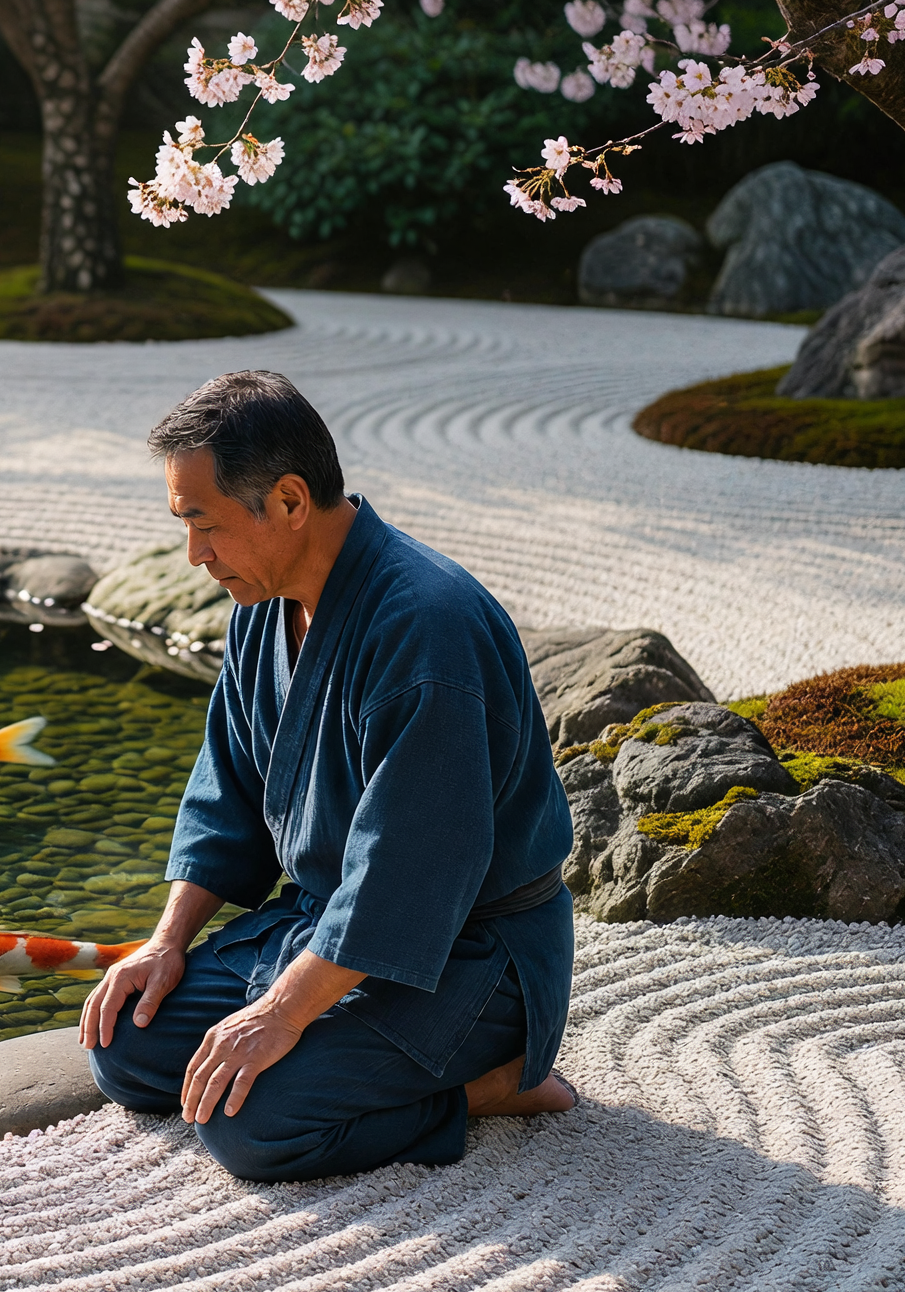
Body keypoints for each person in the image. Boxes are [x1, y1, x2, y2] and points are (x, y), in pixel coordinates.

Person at [80, 370, 577, 1182]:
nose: (195, 555)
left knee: (257, 1127)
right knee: (127, 1045)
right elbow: (228, 792)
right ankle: (341, 1035)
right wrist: (165, 944)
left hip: (467, 955)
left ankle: (492, 1085)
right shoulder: (262, 605)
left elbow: (409, 873)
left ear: (286, 500)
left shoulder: (428, 628)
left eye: (204, 525)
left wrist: (279, 1014)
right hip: (321, 925)